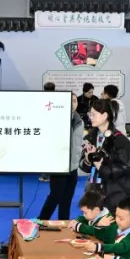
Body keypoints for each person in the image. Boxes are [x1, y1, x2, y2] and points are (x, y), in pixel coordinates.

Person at [80, 98, 130, 211]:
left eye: (94, 114)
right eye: (89, 114)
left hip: (117, 193)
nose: (90, 117)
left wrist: (100, 166)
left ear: (104, 116)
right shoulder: (91, 137)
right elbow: (83, 165)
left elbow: (124, 168)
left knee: (112, 220)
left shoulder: (119, 140)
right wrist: (88, 160)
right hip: (95, 189)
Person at [39, 91, 84, 221]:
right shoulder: (55, 119)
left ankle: (64, 223)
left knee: (67, 199)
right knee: (55, 196)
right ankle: (42, 220)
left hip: (73, 166)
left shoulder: (79, 121)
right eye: (69, 101)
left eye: (74, 101)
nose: (72, 104)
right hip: (58, 165)